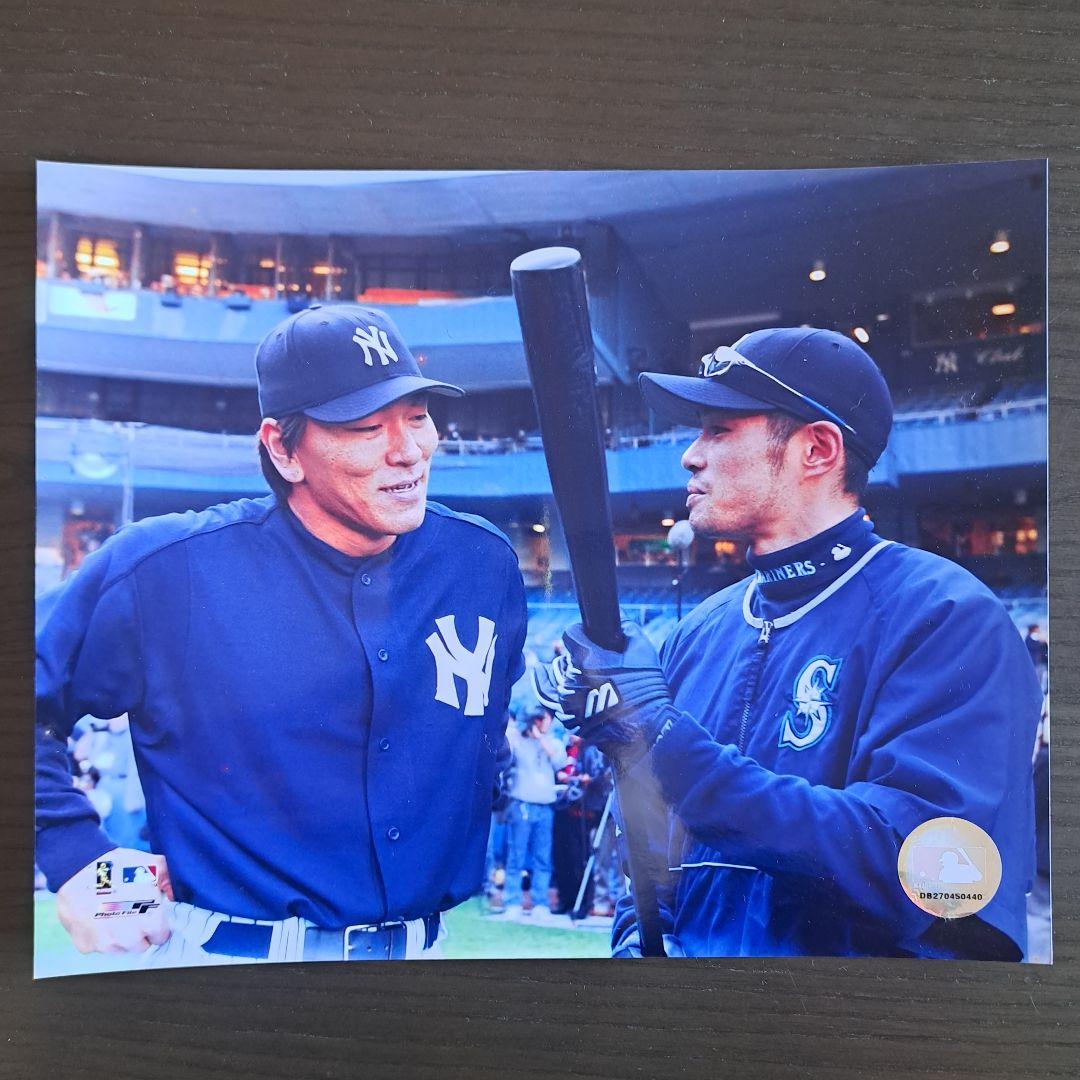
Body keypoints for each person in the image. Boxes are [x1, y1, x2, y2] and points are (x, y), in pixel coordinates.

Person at [36, 303, 527, 965]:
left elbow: (484, 745)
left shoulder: (482, 564)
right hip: (225, 961)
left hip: (424, 958)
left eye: (417, 416)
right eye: (366, 427)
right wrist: (74, 856)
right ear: (283, 449)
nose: (408, 451)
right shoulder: (168, 568)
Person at [538, 327, 1041, 961]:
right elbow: (654, 848)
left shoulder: (947, 617)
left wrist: (662, 742)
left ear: (817, 449)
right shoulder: (698, 631)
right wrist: (639, 937)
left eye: (719, 430)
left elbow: (925, 873)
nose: (690, 455)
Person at [500, 706, 569, 923]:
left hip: (545, 806)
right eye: (538, 719)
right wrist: (522, 728)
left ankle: (541, 904)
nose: (541, 722)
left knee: (542, 858)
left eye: (544, 718)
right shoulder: (518, 741)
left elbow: (559, 762)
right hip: (521, 804)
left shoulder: (554, 743)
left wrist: (540, 738)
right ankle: (512, 903)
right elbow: (506, 752)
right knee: (516, 856)